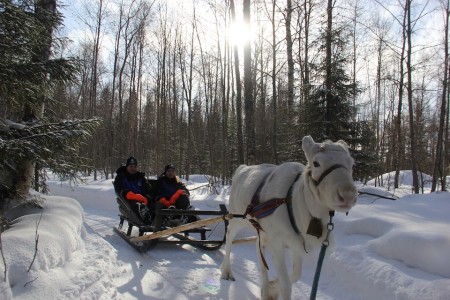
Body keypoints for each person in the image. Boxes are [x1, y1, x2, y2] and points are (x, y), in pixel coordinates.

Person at [113, 156, 155, 224]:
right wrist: (130, 195)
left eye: (135, 166)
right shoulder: (121, 177)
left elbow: (148, 188)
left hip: (143, 198)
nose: (133, 168)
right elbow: (119, 188)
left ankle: (160, 219)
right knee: (135, 204)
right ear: (127, 167)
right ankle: (145, 216)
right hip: (129, 201)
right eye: (131, 166)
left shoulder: (140, 177)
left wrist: (147, 197)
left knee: (153, 204)